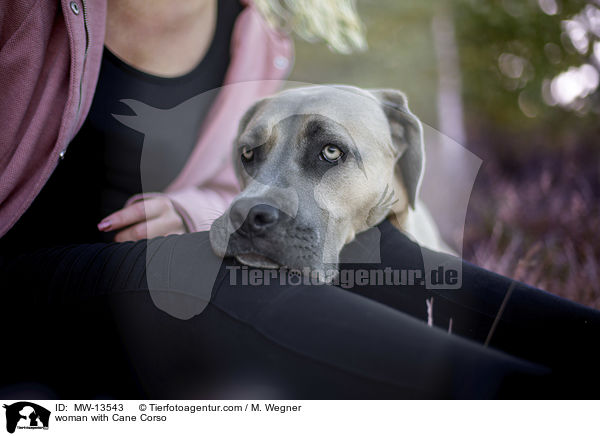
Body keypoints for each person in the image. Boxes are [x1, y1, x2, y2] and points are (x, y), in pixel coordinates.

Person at [1, 0, 599, 399]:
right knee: (203, 275)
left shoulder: (255, 29)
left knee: (374, 247)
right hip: (28, 275)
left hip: (159, 255)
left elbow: (240, 182)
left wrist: (192, 208)